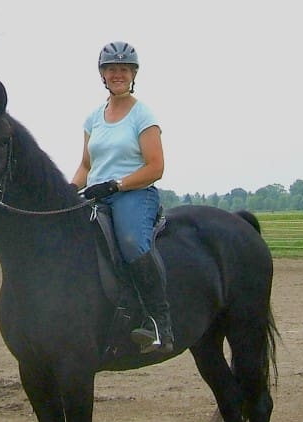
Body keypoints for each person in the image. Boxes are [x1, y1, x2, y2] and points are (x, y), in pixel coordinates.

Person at [71, 41, 174, 354]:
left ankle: (159, 321)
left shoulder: (143, 115)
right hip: (96, 195)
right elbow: (87, 165)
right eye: (111, 69)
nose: (118, 74)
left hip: (134, 194)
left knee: (130, 241)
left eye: (124, 69)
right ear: (103, 74)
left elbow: (156, 167)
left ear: (133, 74)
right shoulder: (93, 118)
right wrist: (68, 191)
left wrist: (116, 185)